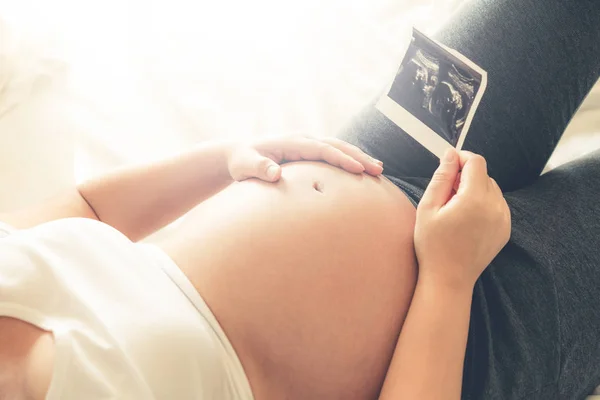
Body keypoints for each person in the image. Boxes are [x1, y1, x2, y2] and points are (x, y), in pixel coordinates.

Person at [0, 0, 599, 399]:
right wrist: (448, 277)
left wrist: (222, 159)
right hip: (474, 331)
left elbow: (87, 207)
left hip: (380, 152)